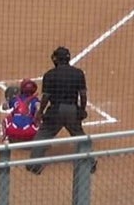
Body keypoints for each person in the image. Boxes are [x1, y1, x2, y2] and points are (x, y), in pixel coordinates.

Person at [26, 46, 96, 175]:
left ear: (56, 59)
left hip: (55, 111)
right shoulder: (78, 73)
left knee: (43, 135)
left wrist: (40, 112)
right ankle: (90, 162)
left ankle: (35, 165)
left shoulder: (49, 75)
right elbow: (83, 94)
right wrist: (81, 110)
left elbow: (46, 97)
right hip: (72, 110)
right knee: (79, 135)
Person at [2, 79, 41, 143]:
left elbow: (4, 107)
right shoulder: (35, 100)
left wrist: (9, 99)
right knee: (40, 122)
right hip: (30, 132)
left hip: (13, 131)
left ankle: (5, 139)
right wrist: (35, 119)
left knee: (5, 120)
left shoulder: (15, 99)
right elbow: (39, 109)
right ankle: (38, 142)